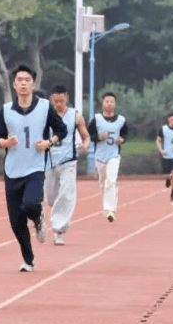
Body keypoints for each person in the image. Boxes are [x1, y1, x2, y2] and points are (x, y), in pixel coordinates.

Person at [0, 65, 67, 272]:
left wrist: (48, 143)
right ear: (14, 85)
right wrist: (5, 143)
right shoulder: (6, 110)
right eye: (19, 80)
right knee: (16, 222)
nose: (23, 83)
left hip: (34, 168)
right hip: (12, 170)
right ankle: (28, 259)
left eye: (27, 80)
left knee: (31, 204)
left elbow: (62, 130)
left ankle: (39, 218)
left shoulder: (44, 107)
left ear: (33, 84)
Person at [44, 85, 90, 246]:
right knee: (50, 198)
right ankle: (59, 216)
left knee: (66, 194)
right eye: (55, 101)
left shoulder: (75, 116)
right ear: (51, 99)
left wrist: (85, 145)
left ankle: (58, 230)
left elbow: (86, 136)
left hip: (68, 161)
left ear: (67, 99)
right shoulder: (45, 116)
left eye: (61, 101)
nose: (58, 104)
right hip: (49, 161)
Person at [87, 92, 128, 222]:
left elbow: (125, 134)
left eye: (112, 102)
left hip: (114, 155)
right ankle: (108, 204)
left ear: (115, 104)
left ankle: (109, 209)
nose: (109, 104)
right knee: (103, 182)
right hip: (100, 156)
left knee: (111, 181)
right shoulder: (96, 119)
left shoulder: (121, 120)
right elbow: (89, 135)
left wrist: (122, 140)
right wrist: (98, 137)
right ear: (102, 103)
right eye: (107, 101)